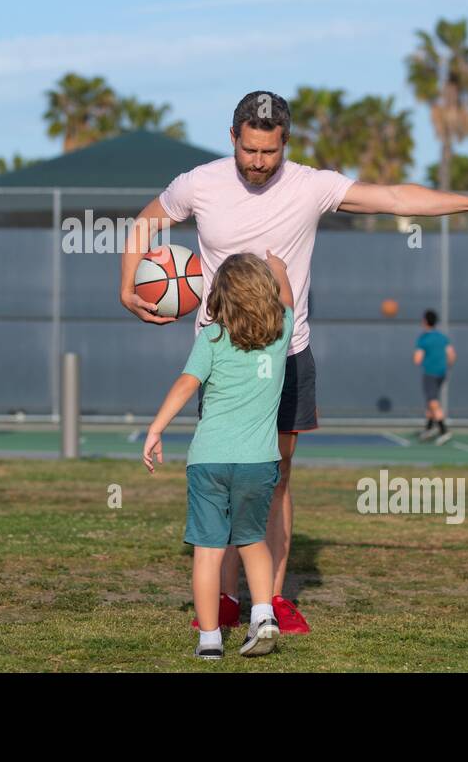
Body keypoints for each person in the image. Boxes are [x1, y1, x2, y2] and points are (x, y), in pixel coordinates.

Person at [120, 90, 468, 634]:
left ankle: (272, 600)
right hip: (223, 361)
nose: (258, 162)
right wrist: (127, 288)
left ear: (285, 143)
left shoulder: (312, 185)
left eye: (269, 152)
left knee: (276, 478)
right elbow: (145, 223)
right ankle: (224, 599)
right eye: (249, 151)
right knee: (222, 479)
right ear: (233, 140)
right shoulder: (200, 183)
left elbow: (395, 198)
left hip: (287, 356)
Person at [143, 251, 294, 659]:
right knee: (252, 541)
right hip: (258, 462)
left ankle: (210, 641)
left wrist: (156, 429)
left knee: (208, 552)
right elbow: (288, 301)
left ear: (218, 298)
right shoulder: (283, 334)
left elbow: (185, 384)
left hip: (208, 460)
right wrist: (277, 266)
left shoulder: (210, 339)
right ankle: (263, 617)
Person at [414, 309, 456, 444]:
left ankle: (444, 429)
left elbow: (417, 359)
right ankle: (429, 428)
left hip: (430, 373)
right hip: (441, 373)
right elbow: (451, 355)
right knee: (431, 400)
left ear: (425, 321)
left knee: (433, 401)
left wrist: (420, 356)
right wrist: (447, 366)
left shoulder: (424, 338)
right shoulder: (442, 337)